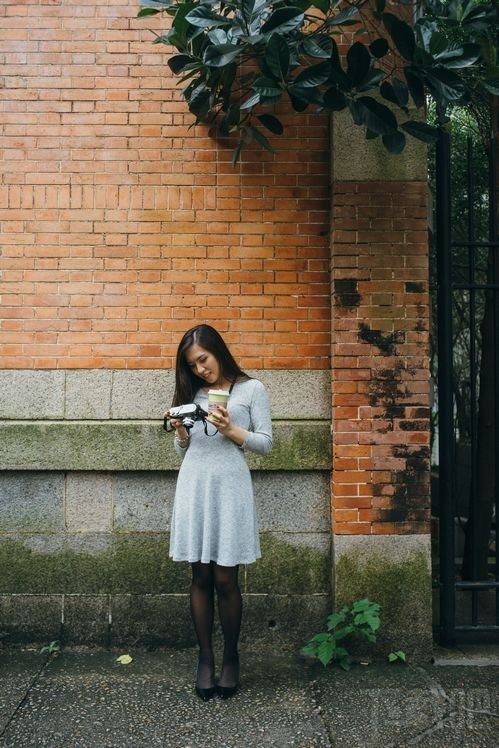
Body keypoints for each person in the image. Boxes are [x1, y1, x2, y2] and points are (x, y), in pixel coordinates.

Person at [166, 324, 273, 701]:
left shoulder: (251, 389)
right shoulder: (190, 392)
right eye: (193, 365)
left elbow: (266, 443)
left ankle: (231, 656)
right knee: (200, 575)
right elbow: (186, 449)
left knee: (226, 578)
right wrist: (180, 431)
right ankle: (205, 658)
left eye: (203, 360)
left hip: (230, 487)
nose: (200, 370)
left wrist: (231, 429)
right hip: (195, 484)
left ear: (218, 351)